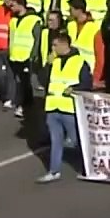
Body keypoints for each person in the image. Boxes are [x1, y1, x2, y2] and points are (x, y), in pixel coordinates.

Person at [38, 32, 91, 183]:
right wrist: (47, 65)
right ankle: (54, 171)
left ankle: (88, 167)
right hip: (52, 106)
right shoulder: (54, 61)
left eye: (55, 45)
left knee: (76, 141)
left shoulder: (80, 62)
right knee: (56, 141)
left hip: (69, 108)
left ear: (64, 44)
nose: (53, 48)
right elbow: (43, 81)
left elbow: (87, 84)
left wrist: (74, 88)